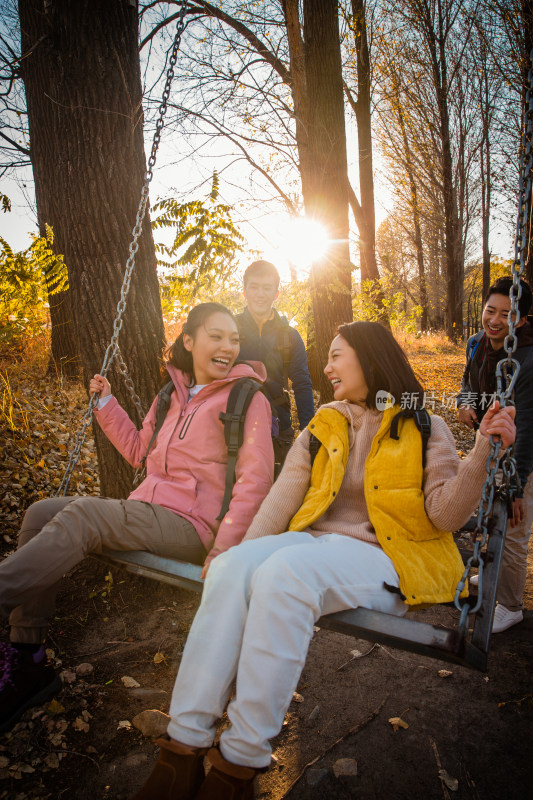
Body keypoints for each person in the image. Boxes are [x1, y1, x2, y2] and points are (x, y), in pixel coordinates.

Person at [131, 321, 516, 800]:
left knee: (284, 575)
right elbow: (283, 496)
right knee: (233, 569)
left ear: (369, 358)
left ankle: (237, 765)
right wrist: (238, 550)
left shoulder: (422, 423)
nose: (327, 367)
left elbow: (445, 513)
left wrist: (483, 449)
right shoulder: (325, 422)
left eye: (336, 356)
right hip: (314, 543)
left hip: (384, 556)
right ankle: (182, 750)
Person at [0, 302, 274, 734]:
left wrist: (224, 551)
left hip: (192, 526)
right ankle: (27, 656)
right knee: (40, 513)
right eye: (216, 336)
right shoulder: (171, 395)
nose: (227, 346)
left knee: (87, 513)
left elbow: (255, 482)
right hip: (149, 509)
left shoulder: (247, 398)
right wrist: (107, 403)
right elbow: (137, 452)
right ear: (190, 340)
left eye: (234, 338)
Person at [457, 276, 533, 633]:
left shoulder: (528, 357)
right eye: (491, 310)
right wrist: (464, 403)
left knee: (513, 526)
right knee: (487, 513)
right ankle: (490, 575)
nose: (495, 319)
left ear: (521, 319)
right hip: (488, 444)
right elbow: (467, 383)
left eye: (507, 313)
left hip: (522, 452)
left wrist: (517, 486)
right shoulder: (477, 343)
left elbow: (528, 425)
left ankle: (512, 605)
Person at [235, 260, 314, 473]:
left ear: (276, 293)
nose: (260, 293)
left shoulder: (289, 336)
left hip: (278, 427)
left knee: (278, 496)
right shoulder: (230, 329)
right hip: (233, 425)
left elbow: (302, 383)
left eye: (267, 288)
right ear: (245, 291)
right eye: (254, 287)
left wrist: (310, 432)